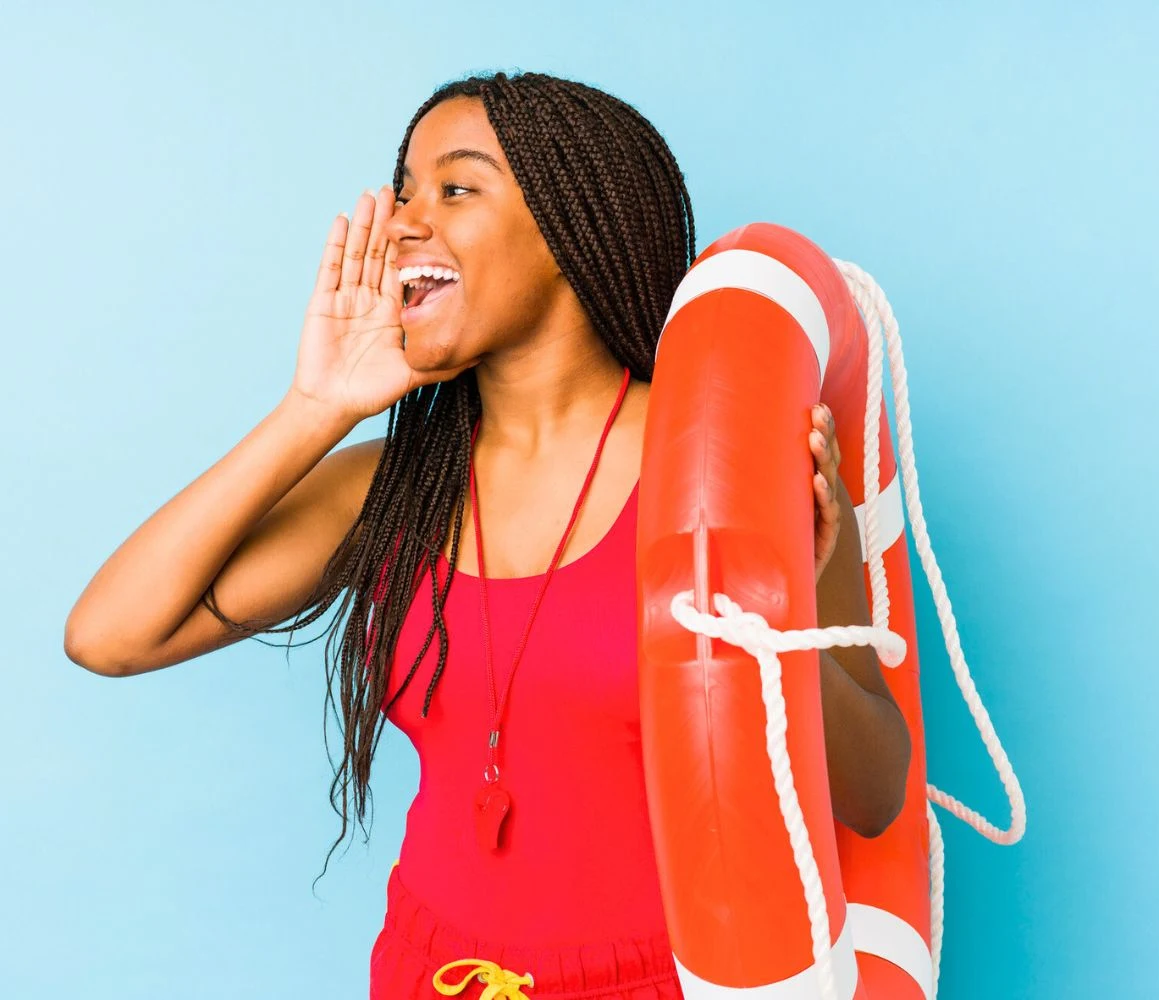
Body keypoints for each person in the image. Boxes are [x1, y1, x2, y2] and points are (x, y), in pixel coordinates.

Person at [65, 71, 911, 1000]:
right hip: (429, 971)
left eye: (455, 188)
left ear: (566, 229)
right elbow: (110, 636)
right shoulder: (390, 488)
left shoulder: (723, 464)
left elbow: (873, 798)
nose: (401, 222)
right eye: (404, 191)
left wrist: (773, 614)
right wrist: (314, 409)